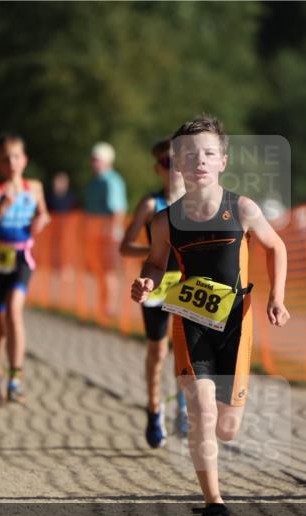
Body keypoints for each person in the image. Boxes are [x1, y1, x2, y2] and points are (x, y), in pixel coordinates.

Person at [131, 115, 290, 516]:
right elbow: (154, 260)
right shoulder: (165, 220)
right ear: (177, 165)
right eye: (188, 155)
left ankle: (219, 442)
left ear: (223, 160)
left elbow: (276, 247)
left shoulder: (241, 208)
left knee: (227, 428)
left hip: (236, 322)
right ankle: (214, 507)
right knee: (201, 412)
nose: (198, 161)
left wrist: (276, 297)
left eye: (208, 153)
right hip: (190, 322)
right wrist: (148, 278)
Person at [0, 134, 50, 407]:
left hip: (20, 259)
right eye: (5, 158)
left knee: (14, 312)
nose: (12, 163)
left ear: (25, 160)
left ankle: (15, 378)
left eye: (16, 156)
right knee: (0, 324)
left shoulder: (35, 188)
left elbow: (44, 214)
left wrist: (41, 220)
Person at [120, 137, 189, 448]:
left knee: (187, 352)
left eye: (178, 162)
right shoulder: (151, 204)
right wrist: (156, 248)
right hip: (156, 283)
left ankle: (184, 408)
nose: (173, 168)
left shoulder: (196, 202)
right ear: (157, 168)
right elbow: (125, 246)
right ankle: (153, 408)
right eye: (166, 163)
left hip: (188, 284)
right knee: (158, 351)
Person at [84, 142, 127, 324]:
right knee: (99, 272)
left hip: (108, 235)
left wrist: (114, 232)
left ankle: (109, 310)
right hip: (95, 234)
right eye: (93, 159)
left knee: (109, 273)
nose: (94, 163)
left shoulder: (112, 181)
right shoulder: (94, 182)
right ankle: (102, 309)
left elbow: (117, 210)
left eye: (97, 160)